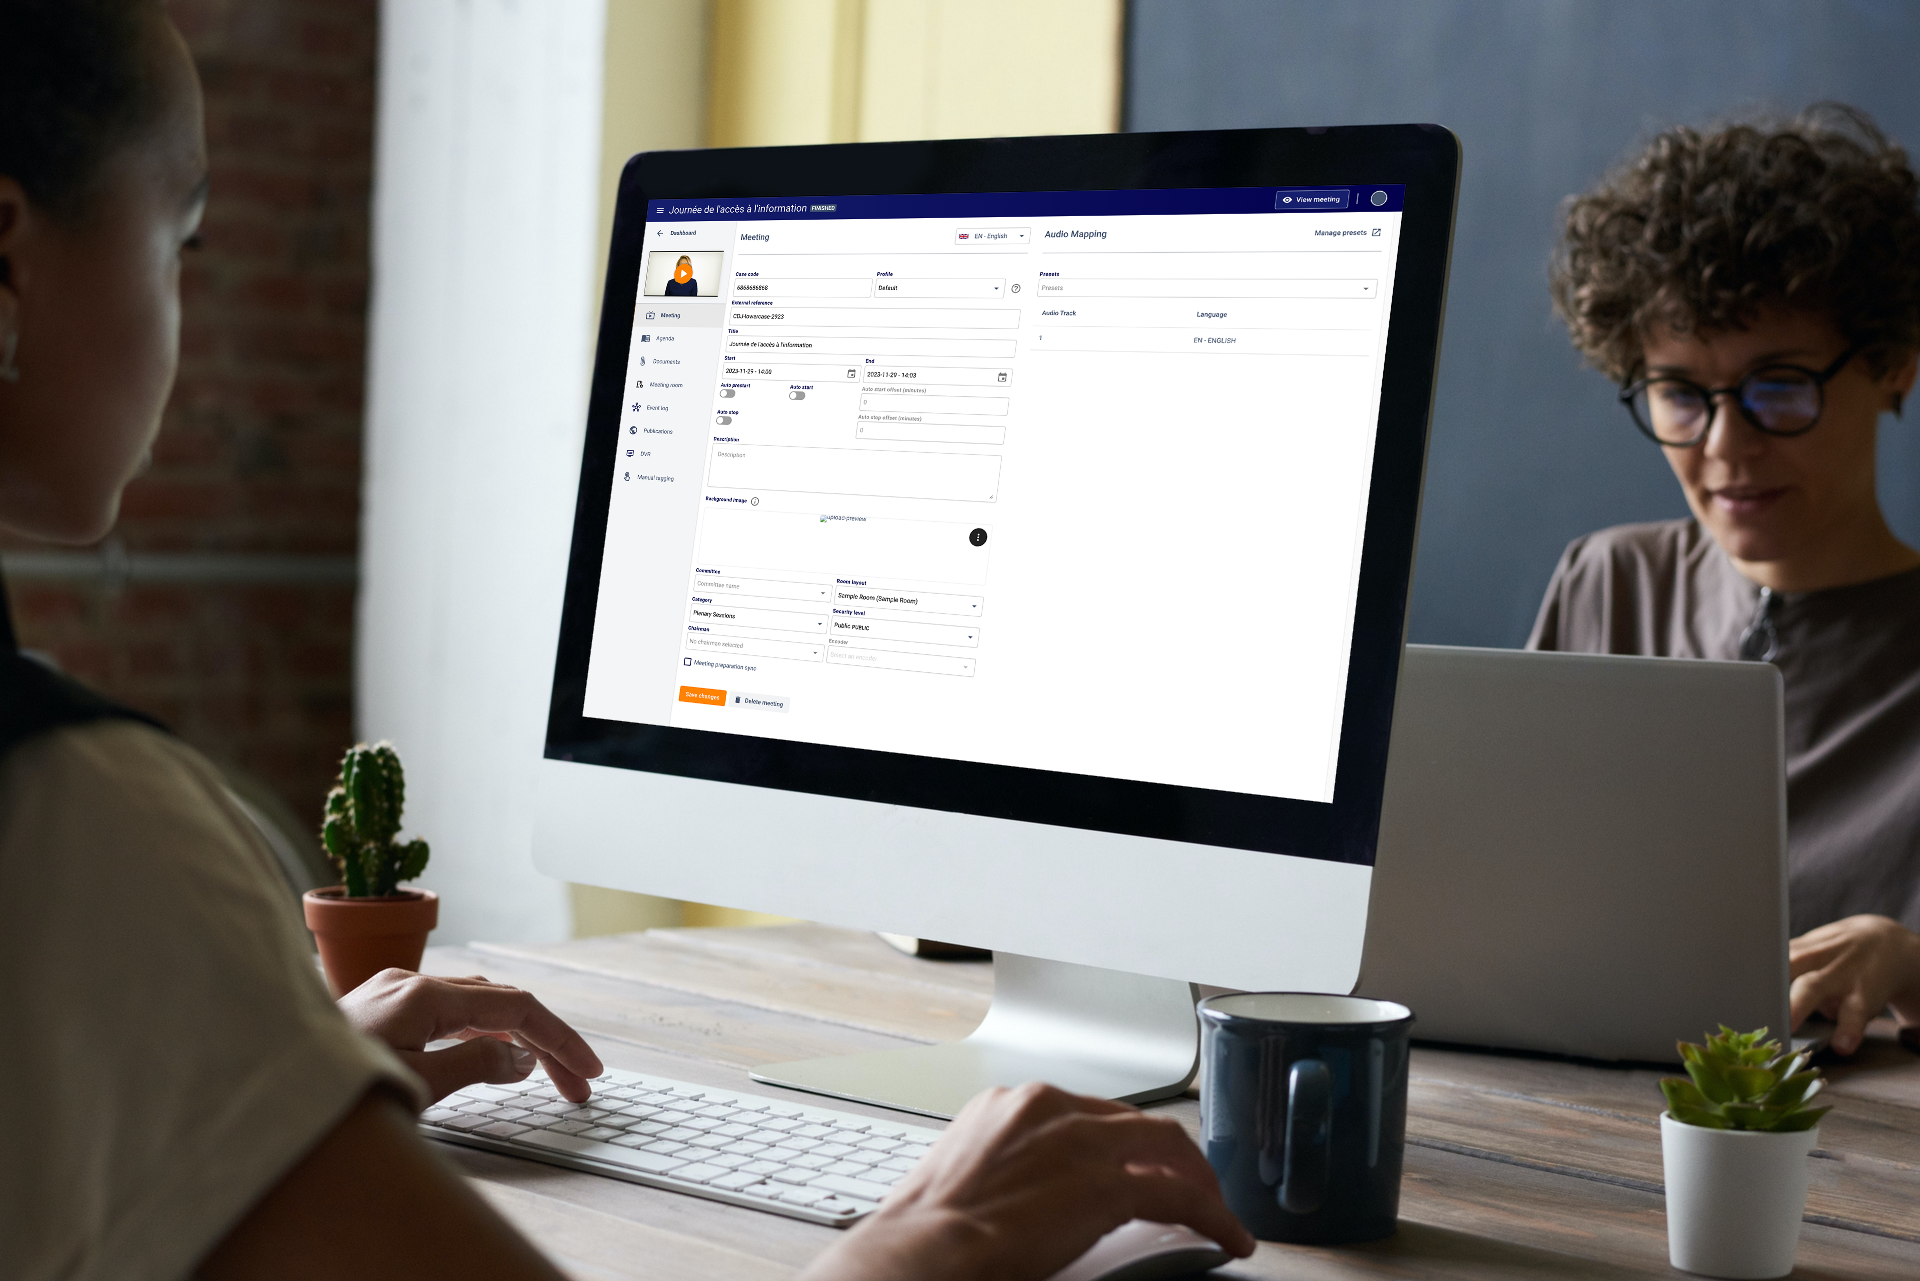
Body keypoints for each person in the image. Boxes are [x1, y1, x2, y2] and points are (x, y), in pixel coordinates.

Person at [0, 4, 1256, 1279]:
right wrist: (944, 1237)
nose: (185, 310)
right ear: (8, 251)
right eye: (182, 238)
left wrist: (265, 1089)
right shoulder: (77, 824)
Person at [1534, 103, 1920, 1057]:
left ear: (1894, 363)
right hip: (1578, 1129)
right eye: (1679, 394)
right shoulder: (1607, 581)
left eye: (1780, 385)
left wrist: (1912, 961)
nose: (1725, 447)